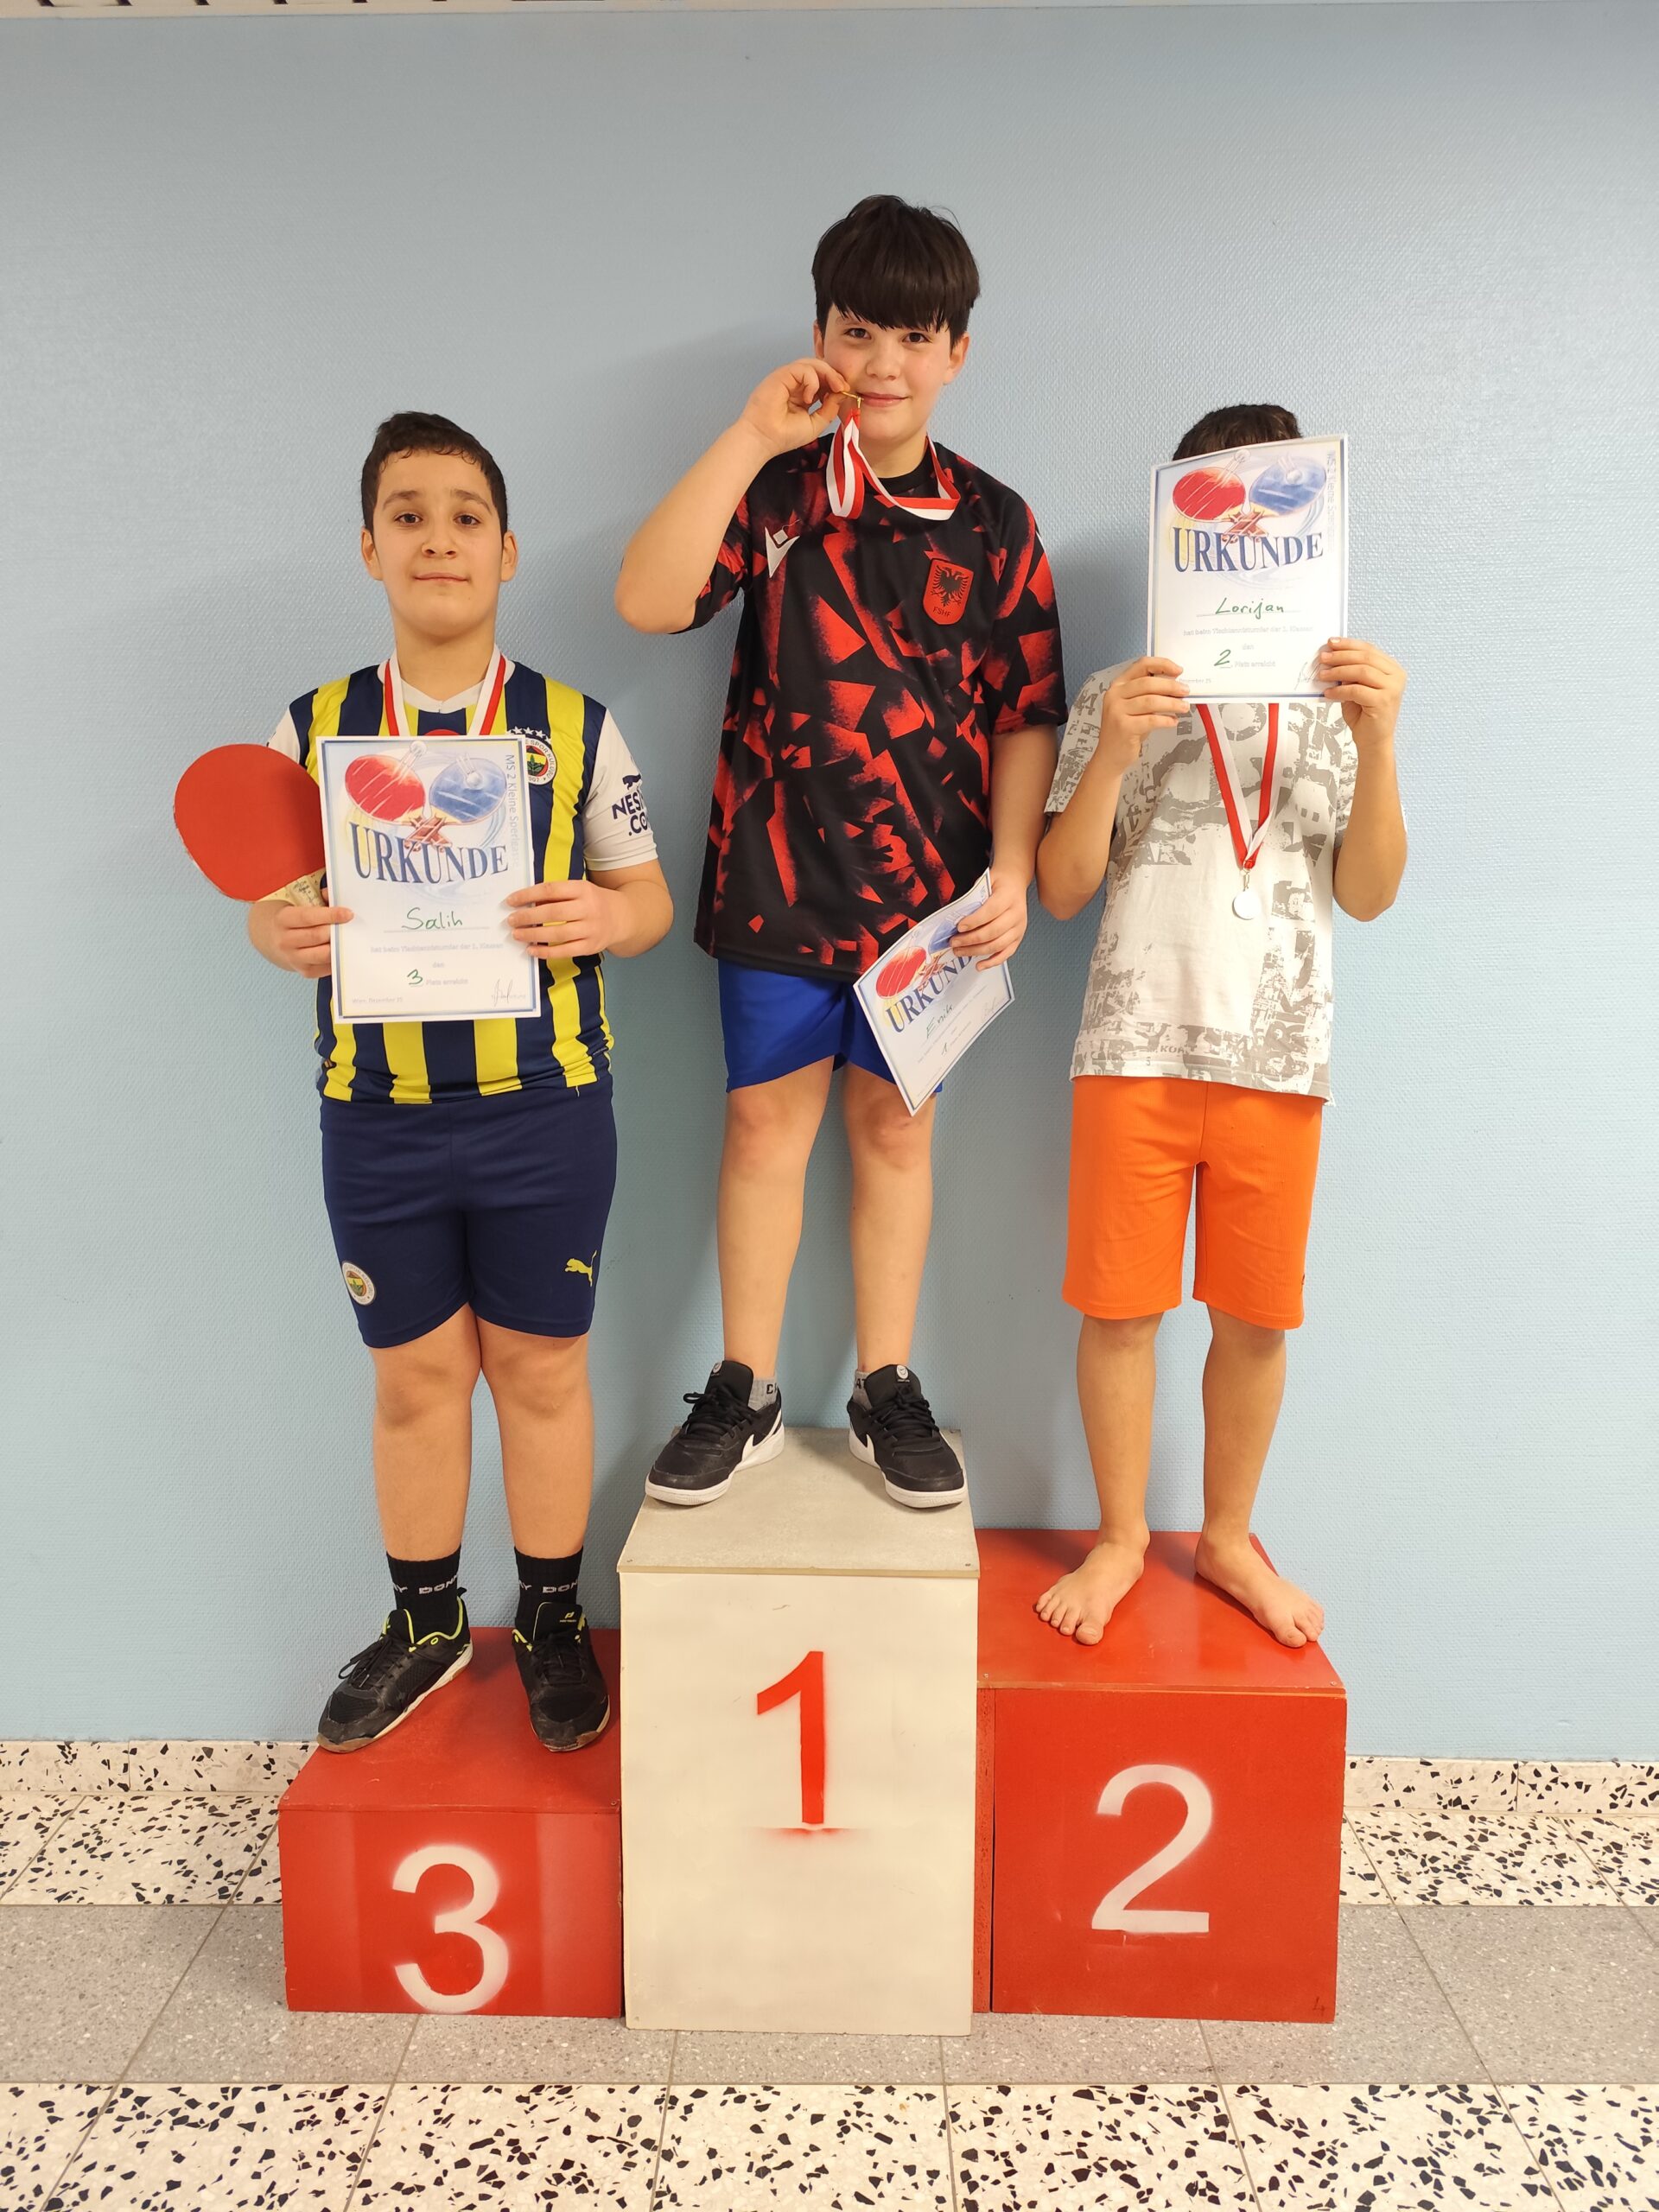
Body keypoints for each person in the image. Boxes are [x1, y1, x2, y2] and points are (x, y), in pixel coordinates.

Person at [614, 195, 1066, 1510]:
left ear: (957, 352)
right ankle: (745, 1387)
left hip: (933, 905)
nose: (882, 362)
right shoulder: (777, 493)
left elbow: (1027, 711)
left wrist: (1014, 871)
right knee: (762, 1126)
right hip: (774, 879)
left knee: (895, 1130)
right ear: (819, 332)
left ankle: (885, 1385)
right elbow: (646, 600)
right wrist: (754, 433)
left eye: (914, 336)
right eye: (857, 329)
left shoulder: (997, 523)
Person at [250, 410, 671, 1749]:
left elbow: (649, 901)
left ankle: (549, 1617)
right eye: (409, 515)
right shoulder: (310, 731)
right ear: (369, 547)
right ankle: (426, 1625)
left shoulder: (575, 727)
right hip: (376, 1117)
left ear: (507, 550)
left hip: (546, 1111)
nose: (439, 538)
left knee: (541, 1373)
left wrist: (604, 917)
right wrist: (275, 932)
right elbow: (272, 903)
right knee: (416, 1380)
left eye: (466, 516)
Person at [1034, 404, 1407, 1647]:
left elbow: (1369, 892)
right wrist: (1110, 754)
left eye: (1274, 514)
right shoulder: (1121, 692)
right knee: (1118, 1310)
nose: (1245, 536)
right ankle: (1121, 1538)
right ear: (1177, 536)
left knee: (1254, 1318)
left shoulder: (1340, 700)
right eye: (1214, 514)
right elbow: (1061, 888)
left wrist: (1381, 743)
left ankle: (1230, 1538)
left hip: (1279, 1056)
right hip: (1133, 1044)